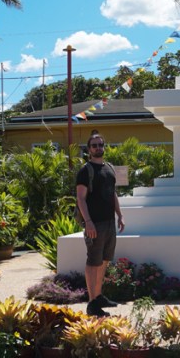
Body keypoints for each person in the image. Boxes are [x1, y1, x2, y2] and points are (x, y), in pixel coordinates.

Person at [76, 130, 125, 316]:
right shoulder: (85, 171)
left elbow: (112, 194)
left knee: (104, 260)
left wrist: (120, 215)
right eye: (94, 145)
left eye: (100, 144)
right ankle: (92, 303)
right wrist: (88, 222)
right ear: (89, 149)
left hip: (109, 222)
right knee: (93, 261)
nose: (98, 148)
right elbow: (80, 199)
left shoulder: (109, 168)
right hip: (94, 224)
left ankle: (98, 296)